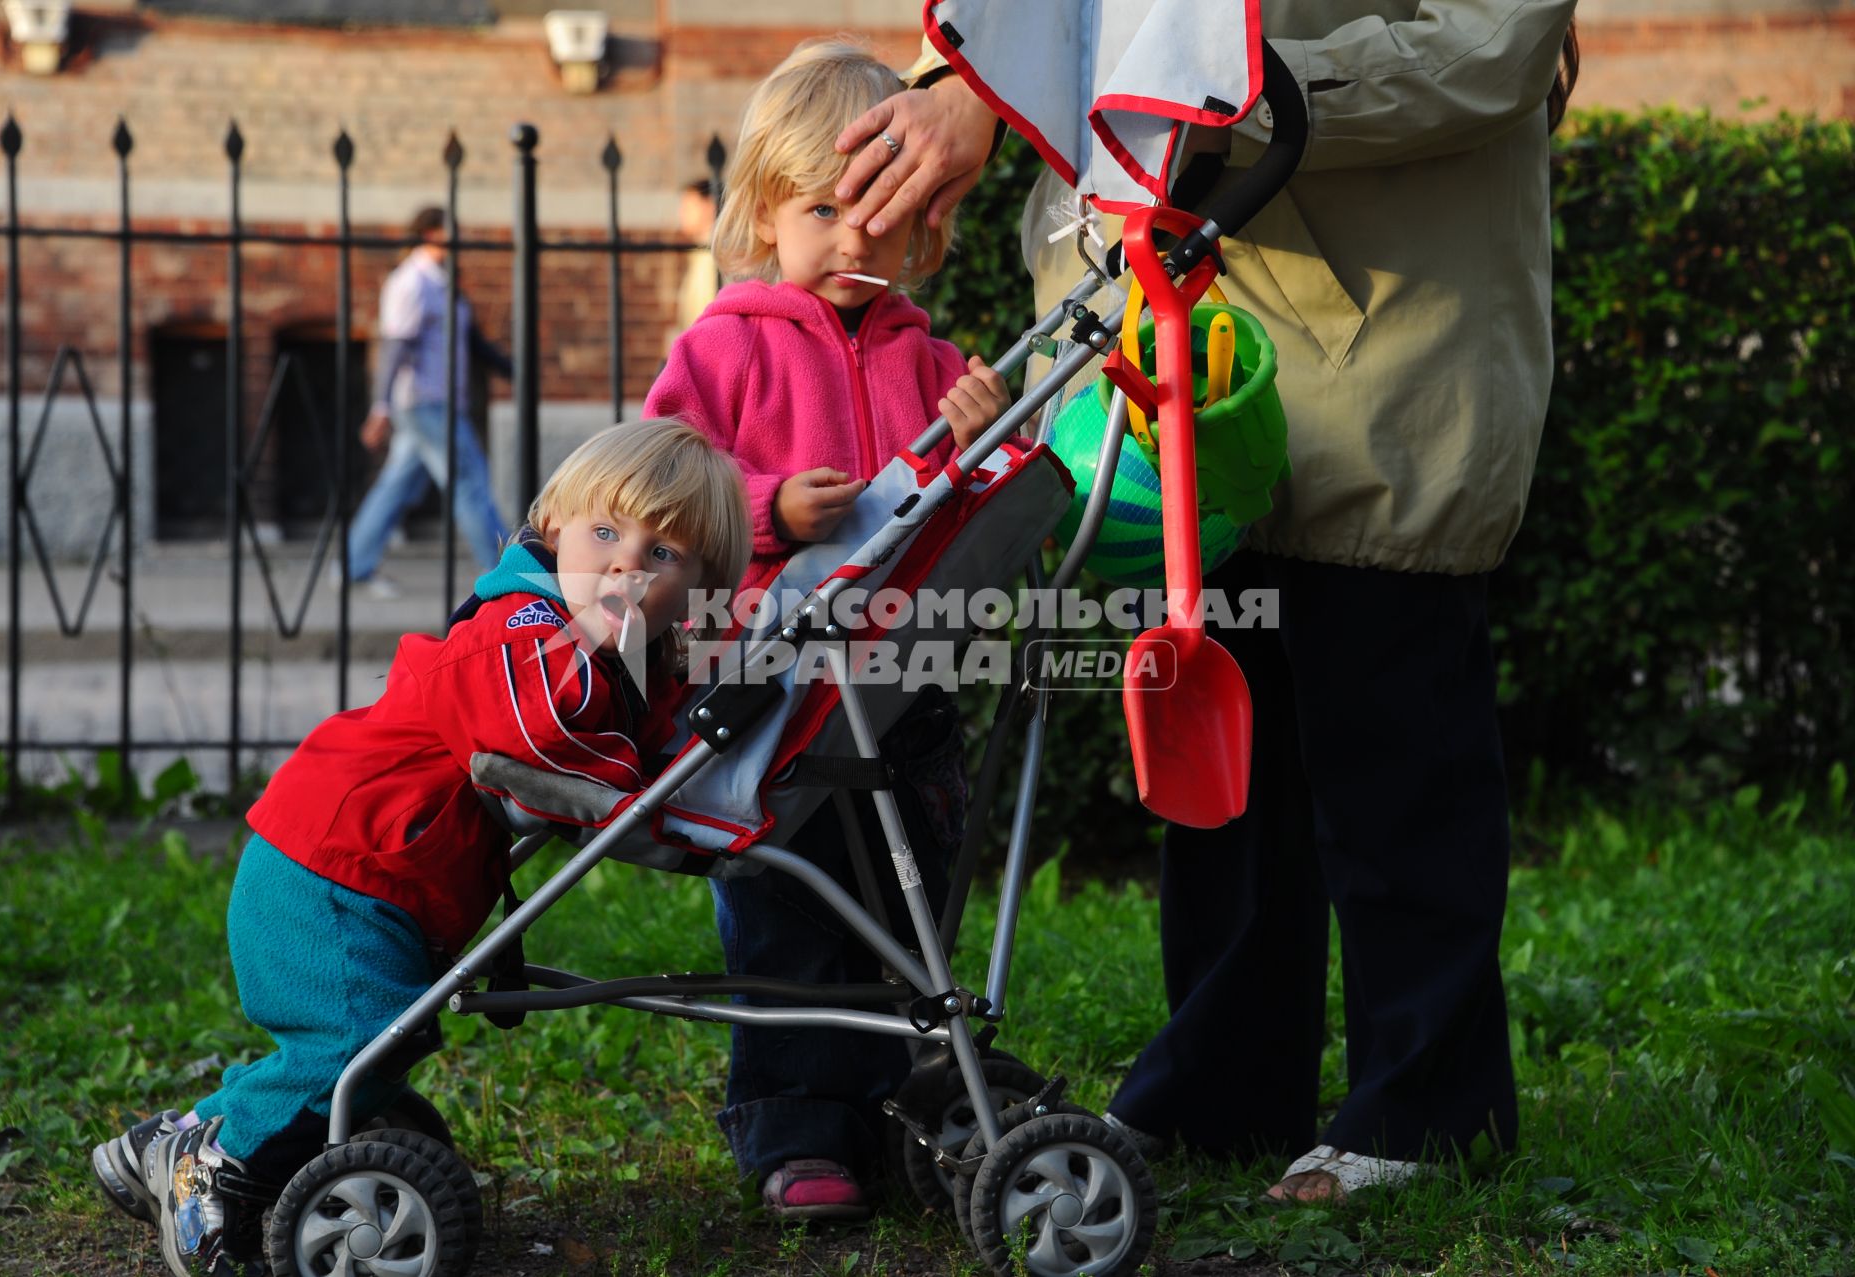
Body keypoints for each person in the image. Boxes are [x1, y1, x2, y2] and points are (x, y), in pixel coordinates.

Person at [832, 0, 1580, 1202]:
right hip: (1166, 303)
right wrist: (963, 86)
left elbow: (1495, 44)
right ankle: (1226, 1085)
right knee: (1221, 755)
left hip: (1378, 317)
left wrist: (1233, 88)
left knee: (1391, 736)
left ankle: (1428, 1104)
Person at [89, 421, 751, 1277]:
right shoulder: (527, 628)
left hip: (376, 874)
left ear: (700, 587)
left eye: (662, 553)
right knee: (352, 1042)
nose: (625, 565)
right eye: (605, 533)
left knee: (380, 1048)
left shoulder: (621, 662)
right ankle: (211, 1168)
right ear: (555, 525)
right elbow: (538, 736)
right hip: (333, 864)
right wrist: (645, 787)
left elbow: (640, 723)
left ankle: (171, 1136)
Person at [645, 37, 1013, 1220]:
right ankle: (799, 1126)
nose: (857, 239)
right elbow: (649, 500)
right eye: (824, 209)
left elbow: (983, 517)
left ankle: (909, 1101)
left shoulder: (932, 355)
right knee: (789, 908)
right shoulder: (723, 346)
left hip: (904, 687)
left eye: (884, 211)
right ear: (761, 211)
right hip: (778, 690)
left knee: (911, 905)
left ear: (927, 220)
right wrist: (761, 507)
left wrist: (983, 434)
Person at [341, 205, 512, 600]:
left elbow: (472, 343)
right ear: (432, 234)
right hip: (424, 404)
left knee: (396, 485)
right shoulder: (411, 283)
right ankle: (505, 573)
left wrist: (513, 368)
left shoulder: (443, 283)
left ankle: (354, 565)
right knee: (469, 481)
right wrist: (380, 408)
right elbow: (395, 348)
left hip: (439, 403)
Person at [667, 177, 721, 353]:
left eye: (689, 206)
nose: (681, 213)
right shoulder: (700, 254)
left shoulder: (715, 256)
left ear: (709, 206)